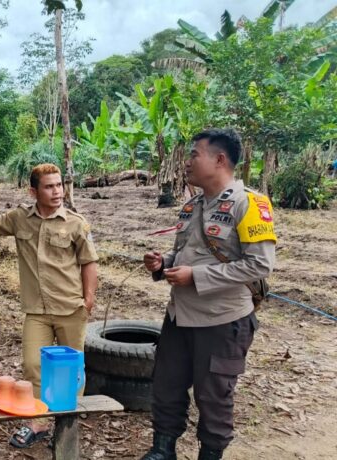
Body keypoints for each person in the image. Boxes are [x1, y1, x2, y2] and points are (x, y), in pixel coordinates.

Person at [0, 163, 98, 448]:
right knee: (33, 364)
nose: (57, 191)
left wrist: (88, 300)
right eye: (49, 186)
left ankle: (66, 423)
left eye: (59, 185)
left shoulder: (76, 223)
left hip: (70, 308)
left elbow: (89, 262)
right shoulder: (19, 219)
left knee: (72, 370)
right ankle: (39, 423)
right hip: (36, 309)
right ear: (33, 191)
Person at [141, 129, 276, 460]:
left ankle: (211, 454)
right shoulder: (192, 206)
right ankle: (163, 449)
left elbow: (259, 265)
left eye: (194, 154)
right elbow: (186, 256)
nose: (187, 162)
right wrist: (164, 264)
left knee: (213, 396)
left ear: (219, 160)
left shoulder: (250, 204)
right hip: (180, 317)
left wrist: (195, 276)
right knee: (166, 385)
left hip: (222, 320)